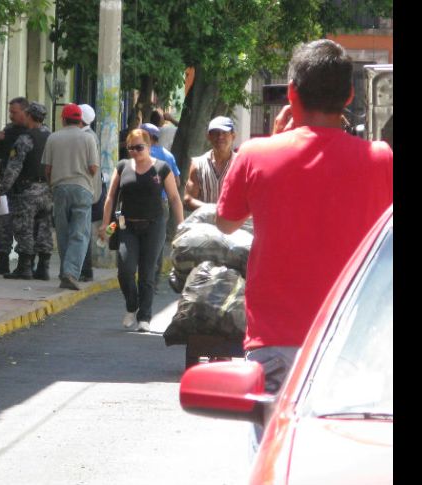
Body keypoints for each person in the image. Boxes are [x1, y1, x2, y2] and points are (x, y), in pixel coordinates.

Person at [216, 39, 393, 394]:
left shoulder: (254, 154)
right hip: (352, 343)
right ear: (348, 98)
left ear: (292, 94)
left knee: (274, 447)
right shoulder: (381, 159)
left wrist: (275, 140)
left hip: (273, 343)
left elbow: (226, 222)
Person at [99, 128, 184, 332]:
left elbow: (174, 198)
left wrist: (181, 226)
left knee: (147, 273)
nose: (135, 152)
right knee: (126, 269)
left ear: (149, 146)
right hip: (126, 225)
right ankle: (131, 305)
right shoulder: (122, 167)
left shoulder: (162, 168)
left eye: (139, 147)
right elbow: (110, 197)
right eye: (131, 148)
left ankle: (144, 317)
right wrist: (104, 224)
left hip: (154, 225)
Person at [43, 103, 100, 290]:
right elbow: (93, 168)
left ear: (63, 119)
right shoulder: (88, 138)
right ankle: (70, 272)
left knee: (62, 231)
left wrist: (54, 183)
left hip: (59, 188)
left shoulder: (53, 138)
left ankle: (65, 271)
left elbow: (47, 169)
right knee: (80, 233)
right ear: (80, 119)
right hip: (82, 187)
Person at [0, 102, 53, 280]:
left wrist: (2, 189)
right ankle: (43, 267)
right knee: (44, 229)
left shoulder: (25, 139)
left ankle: (24, 267)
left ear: (29, 116)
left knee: (24, 228)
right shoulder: (49, 135)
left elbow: (14, 167)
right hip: (46, 189)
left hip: (27, 191)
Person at [0, 97, 30, 275]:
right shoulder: (9, 130)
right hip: (6, 187)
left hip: (24, 187)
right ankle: (2, 261)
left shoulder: (31, 132)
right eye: (10, 112)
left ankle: (25, 264)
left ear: (25, 112)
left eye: (14, 112)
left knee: (24, 227)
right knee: (3, 224)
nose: (11, 116)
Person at [139, 122, 180, 291]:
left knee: (139, 239)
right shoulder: (168, 156)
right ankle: (153, 281)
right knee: (157, 242)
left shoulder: (137, 154)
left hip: (138, 203)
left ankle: (142, 278)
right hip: (161, 203)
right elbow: (176, 181)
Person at [183, 116, 237, 211]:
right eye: (216, 133)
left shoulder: (242, 164)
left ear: (233, 136)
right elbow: (188, 200)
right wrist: (214, 209)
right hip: (205, 224)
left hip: (235, 224)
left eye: (224, 133)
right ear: (209, 137)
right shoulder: (198, 164)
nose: (220, 137)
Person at [79, 103, 103, 282]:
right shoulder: (88, 136)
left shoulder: (88, 137)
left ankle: (85, 270)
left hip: (87, 191)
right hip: (89, 190)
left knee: (81, 231)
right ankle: (84, 269)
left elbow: (92, 167)